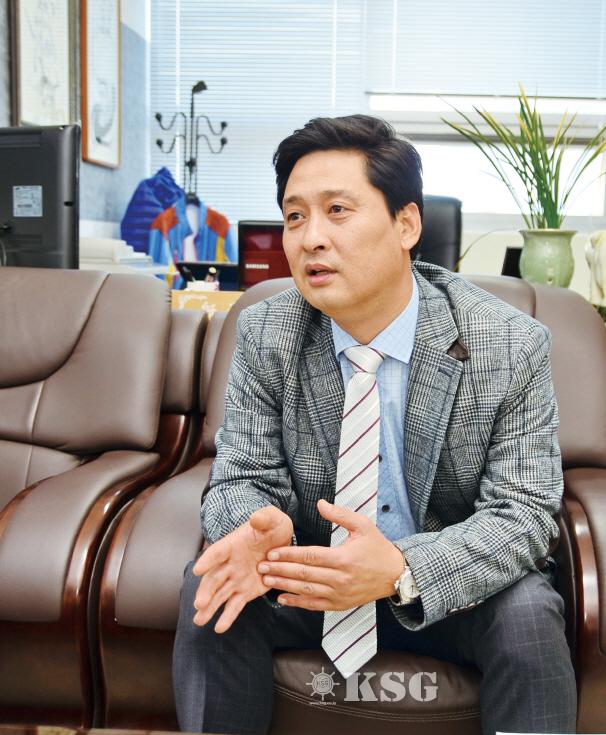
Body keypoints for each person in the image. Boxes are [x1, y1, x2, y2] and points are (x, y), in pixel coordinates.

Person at [172, 114, 576, 735]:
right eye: (295, 216)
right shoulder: (266, 331)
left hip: (445, 584)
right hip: (310, 576)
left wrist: (399, 569)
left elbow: (522, 514)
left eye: (337, 210)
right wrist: (259, 526)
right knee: (215, 592)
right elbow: (239, 478)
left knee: (527, 616)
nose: (310, 238)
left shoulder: (507, 343)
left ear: (406, 225)